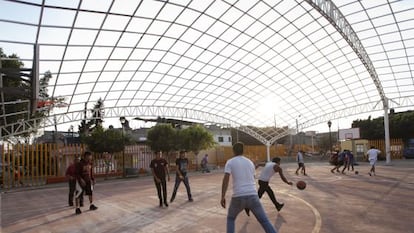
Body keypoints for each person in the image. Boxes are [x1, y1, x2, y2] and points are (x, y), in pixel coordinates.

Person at [221, 142, 277, 233]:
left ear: (233, 151)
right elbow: (252, 177)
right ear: (243, 150)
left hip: (238, 196)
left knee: (231, 219)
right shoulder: (250, 162)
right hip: (252, 195)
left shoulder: (230, 162)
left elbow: (225, 179)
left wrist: (222, 196)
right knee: (264, 221)